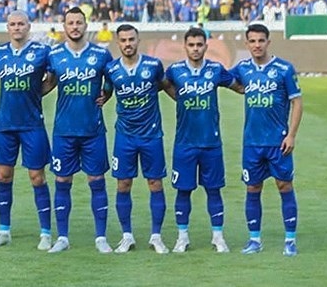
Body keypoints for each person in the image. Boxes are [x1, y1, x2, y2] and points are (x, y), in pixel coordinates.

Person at [41, 7, 114, 253]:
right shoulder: (54, 55)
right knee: (62, 181)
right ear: (64, 26)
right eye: (70, 23)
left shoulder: (101, 54)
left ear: (86, 25)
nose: (75, 27)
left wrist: (107, 94)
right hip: (64, 130)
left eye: (79, 23)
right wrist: (29, 94)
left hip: (93, 130)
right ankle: (62, 238)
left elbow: (111, 80)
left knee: (97, 181)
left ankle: (101, 238)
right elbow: (49, 83)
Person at [164, 27, 240, 253]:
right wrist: (178, 97)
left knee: (214, 190)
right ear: (185, 46)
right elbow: (162, 85)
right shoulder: (175, 70)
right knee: (183, 191)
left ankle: (218, 237)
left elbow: (239, 86)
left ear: (206, 46)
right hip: (185, 143)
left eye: (199, 45)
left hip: (211, 143)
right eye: (191, 45)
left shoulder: (216, 70)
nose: (195, 49)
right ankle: (182, 237)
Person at [230, 23, 303, 257]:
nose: (257, 45)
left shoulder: (284, 68)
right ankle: (254, 240)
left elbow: (297, 102)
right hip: (252, 142)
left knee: (284, 186)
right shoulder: (243, 68)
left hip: (278, 142)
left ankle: (290, 240)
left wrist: (291, 135)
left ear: (268, 42)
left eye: (261, 40)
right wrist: (240, 88)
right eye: (252, 41)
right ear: (247, 43)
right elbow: (226, 80)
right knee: (253, 187)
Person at [0, 10, 53, 250]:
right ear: (8, 28)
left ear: (28, 26)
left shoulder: (42, 52)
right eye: (13, 24)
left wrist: (37, 94)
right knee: (3, 176)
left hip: (32, 124)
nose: (17, 28)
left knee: (37, 177)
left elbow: (51, 79)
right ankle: (4, 231)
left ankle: (45, 233)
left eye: (21, 24)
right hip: (5, 125)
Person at [104, 24, 172, 254]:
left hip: (151, 135)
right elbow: (106, 92)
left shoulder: (153, 65)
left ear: (138, 40)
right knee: (123, 184)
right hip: (125, 136)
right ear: (118, 43)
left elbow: (164, 85)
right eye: (123, 40)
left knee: (155, 184)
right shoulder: (111, 69)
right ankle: (127, 236)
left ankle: (156, 236)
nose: (128, 44)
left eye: (131, 39)